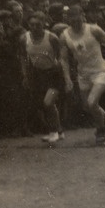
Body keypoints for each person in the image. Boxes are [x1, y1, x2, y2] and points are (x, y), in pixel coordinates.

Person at [59, 5, 105, 145]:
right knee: (87, 106)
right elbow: (64, 59)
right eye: (72, 20)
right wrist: (67, 79)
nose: (75, 23)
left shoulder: (93, 29)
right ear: (68, 19)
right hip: (83, 74)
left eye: (78, 20)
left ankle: (100, 130)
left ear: (83, 16)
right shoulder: (64, 36)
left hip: (101, 70)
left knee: (92, 102)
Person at [19, 11, 64, 144]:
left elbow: (62, 55)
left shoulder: (52, 38)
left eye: (38, 25)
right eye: (32, 25)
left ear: (44, 24)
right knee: (43, 104)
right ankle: (59, 131)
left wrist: (61, 68)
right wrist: (25, 74)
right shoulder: (24, 38)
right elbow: (23, 57)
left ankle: (54, 132)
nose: (34, 27)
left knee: (48, 102)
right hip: (37, 74)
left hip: (54, 73)